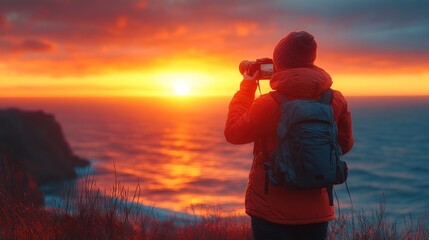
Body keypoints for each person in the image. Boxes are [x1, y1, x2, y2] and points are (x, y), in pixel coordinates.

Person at [224, 31, 354, 240]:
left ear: (279, 63)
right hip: (316, 211)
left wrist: (247, 87)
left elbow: (233, 132)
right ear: (311, 60)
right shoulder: (334, 99)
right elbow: (344, 145)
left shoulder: (269, 103)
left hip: (270, 210)